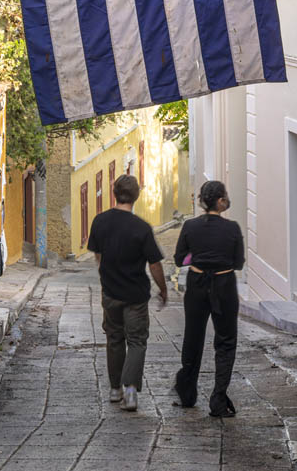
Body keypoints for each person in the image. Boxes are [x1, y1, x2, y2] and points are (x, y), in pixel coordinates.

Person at [88, 174, 167, 413]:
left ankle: (115, 389)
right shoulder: (141, 228)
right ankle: (130, 392)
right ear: (136, 196)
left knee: (114, 339)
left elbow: (98, 255)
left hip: (110, 293)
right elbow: (154, 264)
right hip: (135, 296)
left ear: (114, 193)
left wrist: (106, 274)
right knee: (136, 341)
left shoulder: (100, 221)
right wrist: (163, 289)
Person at [173, 180, 244, 418]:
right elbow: (238, 263)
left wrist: (198, 257)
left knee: (193, 337)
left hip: (197, 284)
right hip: (224, 286)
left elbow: (179, 258)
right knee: (225, 343)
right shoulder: (232, 228)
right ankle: (218, 400)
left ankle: (187, 394)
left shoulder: (190, 226)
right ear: (221, 200)